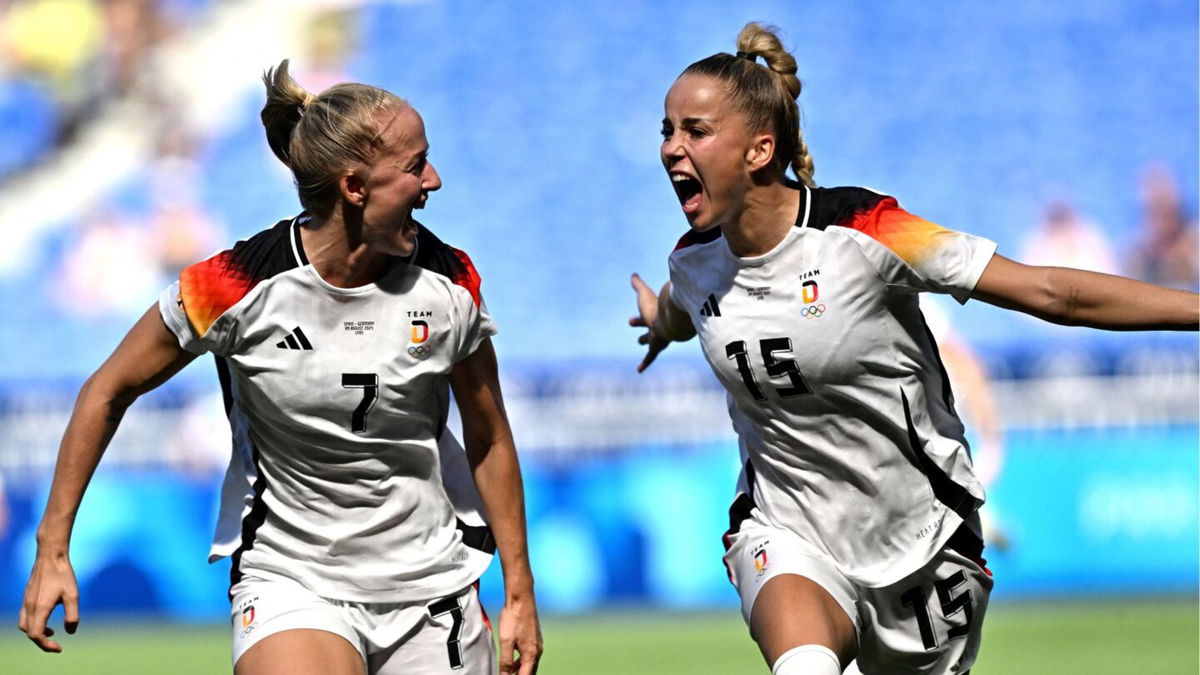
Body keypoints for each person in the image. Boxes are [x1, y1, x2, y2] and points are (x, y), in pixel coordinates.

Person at [629, 23, 1199, 675]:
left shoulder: (868, 233)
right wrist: (659, 320)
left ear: (760, 150)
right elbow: (680, 306)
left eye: (694, 131)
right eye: (666, 132)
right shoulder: (694, 263)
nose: (673, 149)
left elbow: (1049, 291)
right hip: (787, 531)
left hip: (927, 545)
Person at [20, 60, 543, 675]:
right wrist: (52, 547)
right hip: (291, 578)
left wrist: (518, 592)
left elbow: (488, 435)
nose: (434, 180)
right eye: (414, 165)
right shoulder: (234, 284)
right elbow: (107, 389)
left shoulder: (451, 281)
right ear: (354, 187)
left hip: (431, 586)